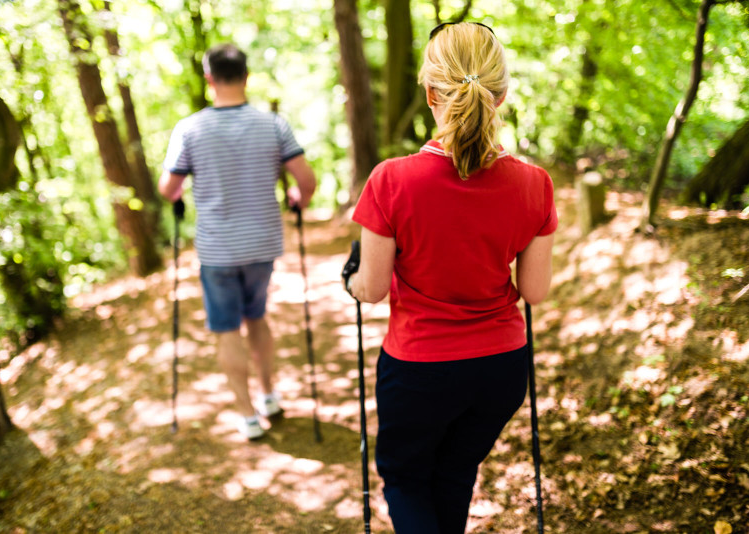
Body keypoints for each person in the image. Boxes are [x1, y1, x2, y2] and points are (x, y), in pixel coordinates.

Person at [342, 22, 557, 533]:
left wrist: (350, 277)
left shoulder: (391, 180)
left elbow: (370, 291)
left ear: (430, 92)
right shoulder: (535, 183)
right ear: (501, 95)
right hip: (501, 368)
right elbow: (535, 291)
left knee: (406, 478)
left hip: (420, 367)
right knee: (457, 469)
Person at [159, 43, 316, 441]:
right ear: (246, 77)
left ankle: (247, 416)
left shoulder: (189, 129)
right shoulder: (274, 125)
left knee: (227, 328)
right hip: (262, 244)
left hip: (217, 249)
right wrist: (298, 200)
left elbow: (169, 187)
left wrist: (178, 196)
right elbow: (306, 181)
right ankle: (269, 396)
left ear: (209, 79)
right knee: (257, 318)